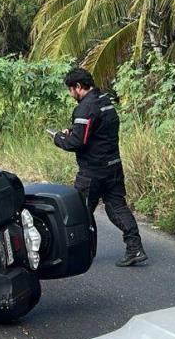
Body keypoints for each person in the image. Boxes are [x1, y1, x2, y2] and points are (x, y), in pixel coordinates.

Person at [53, 67, 148, 267]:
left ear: (78, 87)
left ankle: (80, 255)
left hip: (92, 172)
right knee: (117, 207)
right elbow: (95, 130)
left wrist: (59, 138)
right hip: (113, 165)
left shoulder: (85, 107)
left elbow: (76, 143)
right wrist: (74, 130)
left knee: (80, 212)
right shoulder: (105, 101)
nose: (71, 95)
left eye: (71, 90)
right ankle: (135, 248)